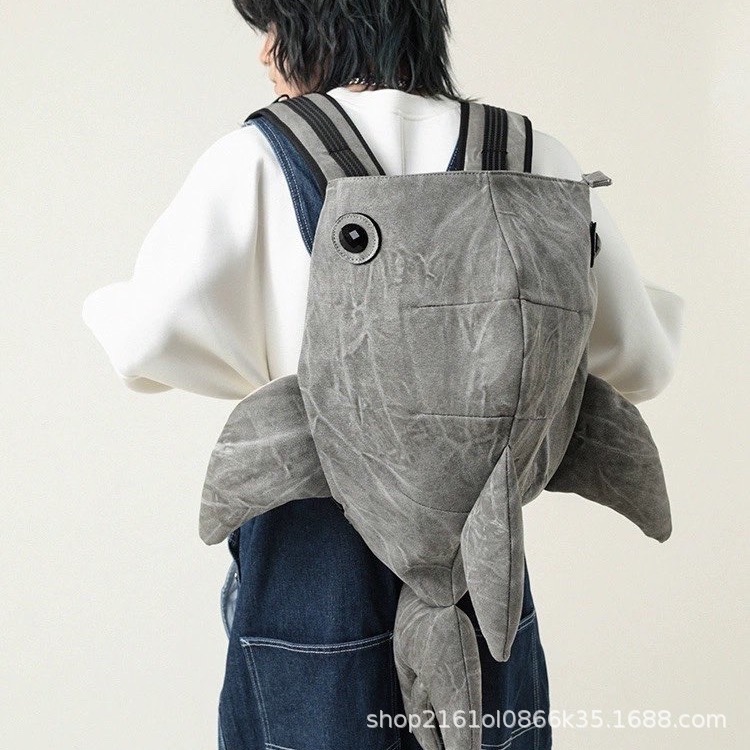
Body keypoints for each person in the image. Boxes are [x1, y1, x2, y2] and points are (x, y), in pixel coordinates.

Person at [81, 2, 685, 749]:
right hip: (481, 564)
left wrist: (109, 306)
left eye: (271, 24)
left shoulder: (256, 157)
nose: (264, 52)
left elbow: (144, 342)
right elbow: (642, 363)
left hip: (312, 556)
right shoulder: (539, 158)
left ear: (318, 22)